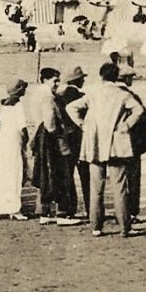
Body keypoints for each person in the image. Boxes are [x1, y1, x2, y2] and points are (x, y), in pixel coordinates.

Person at [66, 62, 145, 238]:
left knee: (96, 188)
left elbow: (70, 107)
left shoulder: (93, 93)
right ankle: (125, 227)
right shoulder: (122, 94)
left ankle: (96, 227)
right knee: (120, 187)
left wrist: (82, 124)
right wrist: (127, 124)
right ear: (116, 76)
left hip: (95, 144)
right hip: (116, 144)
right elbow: (139, 110)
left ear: (101, 76)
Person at [30, 68, 79, 226]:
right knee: (61, 175)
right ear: (44, 80)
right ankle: (62, 213)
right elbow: (50, 123)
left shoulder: (36, 94)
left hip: (40, 137)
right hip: (52, 140)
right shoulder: (48, 98)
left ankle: (44, 212)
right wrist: (61, 135)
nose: (57, 84)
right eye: (54, 81)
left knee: (44, 174)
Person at [0, 80, 30, 219]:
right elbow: (22, 126)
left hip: (1, 140)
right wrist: (26, 141)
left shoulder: (3, 104)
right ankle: (14, 209)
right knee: (13, 172)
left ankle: (0, 207)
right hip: (12, 140)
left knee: (1, 173)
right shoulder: (18, 105)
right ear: (19, 90)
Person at [118, 65, 146, 225]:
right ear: (127, 79)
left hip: (112, 143)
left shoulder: (106, 93)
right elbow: (143, 117)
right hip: (132, 144)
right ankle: (130, 212)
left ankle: (119, 211)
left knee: (117, 180)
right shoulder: (131, 96)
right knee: (132, 180)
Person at [57, 66, 89, 216]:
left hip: (66, 138)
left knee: (67, 175)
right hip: (79, 139)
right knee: (85, 176)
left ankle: (69, 209)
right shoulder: (79, 95)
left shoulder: (60, 96)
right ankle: (91, 209)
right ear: (78, 80)